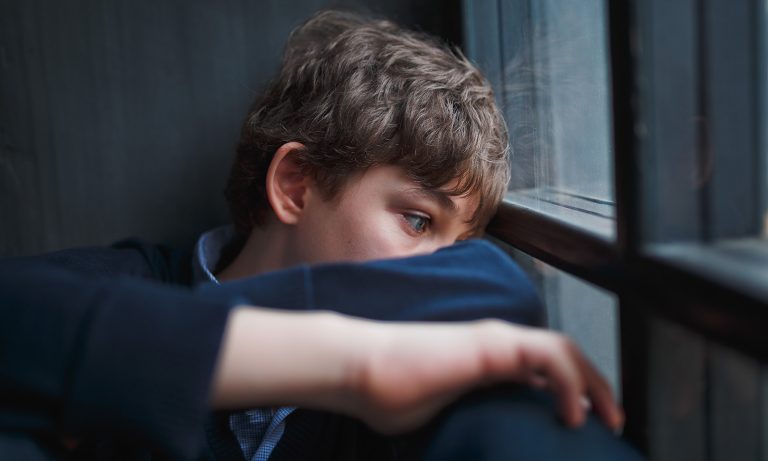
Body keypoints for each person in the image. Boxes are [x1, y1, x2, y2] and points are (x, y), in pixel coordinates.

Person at [0, 10, 641, 461]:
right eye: (417, 220)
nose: (437, 266)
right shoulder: (119, 288)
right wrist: (344, 361)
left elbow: (487, 288)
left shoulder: (427, 356)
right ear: (297, 185)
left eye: (458, 241)